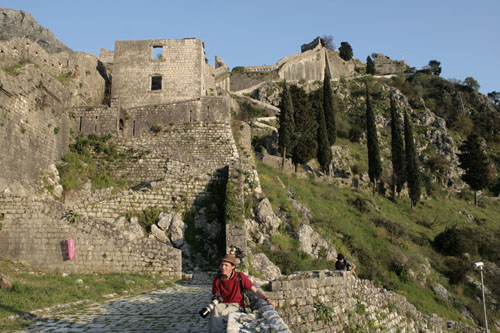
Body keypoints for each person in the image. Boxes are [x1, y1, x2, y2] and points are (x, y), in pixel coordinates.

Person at [209, 254, 275, 332]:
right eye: (222, 265)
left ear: (232, 267)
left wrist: (267, 299)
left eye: (226, 265)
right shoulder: (218, 279)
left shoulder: (240, 277)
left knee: (223, 314)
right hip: (223, 304)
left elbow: (255, 290)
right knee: (215, 311)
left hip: (236, 305)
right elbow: (215, 295)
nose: (223, 267)